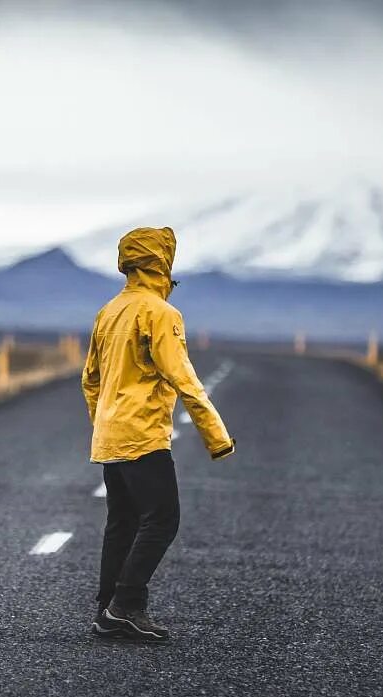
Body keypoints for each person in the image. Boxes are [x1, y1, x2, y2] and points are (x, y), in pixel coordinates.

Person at [82, 226, 235, 642]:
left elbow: (90, 380)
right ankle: (125, 606)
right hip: (143, 435)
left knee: (123, 522)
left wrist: (103, 423)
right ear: (162, 261)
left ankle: (108, 609)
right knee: (162, 519)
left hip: (111, 435)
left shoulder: (108, 310)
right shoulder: (161, 314)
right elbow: (183, 377)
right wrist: (215, 436)